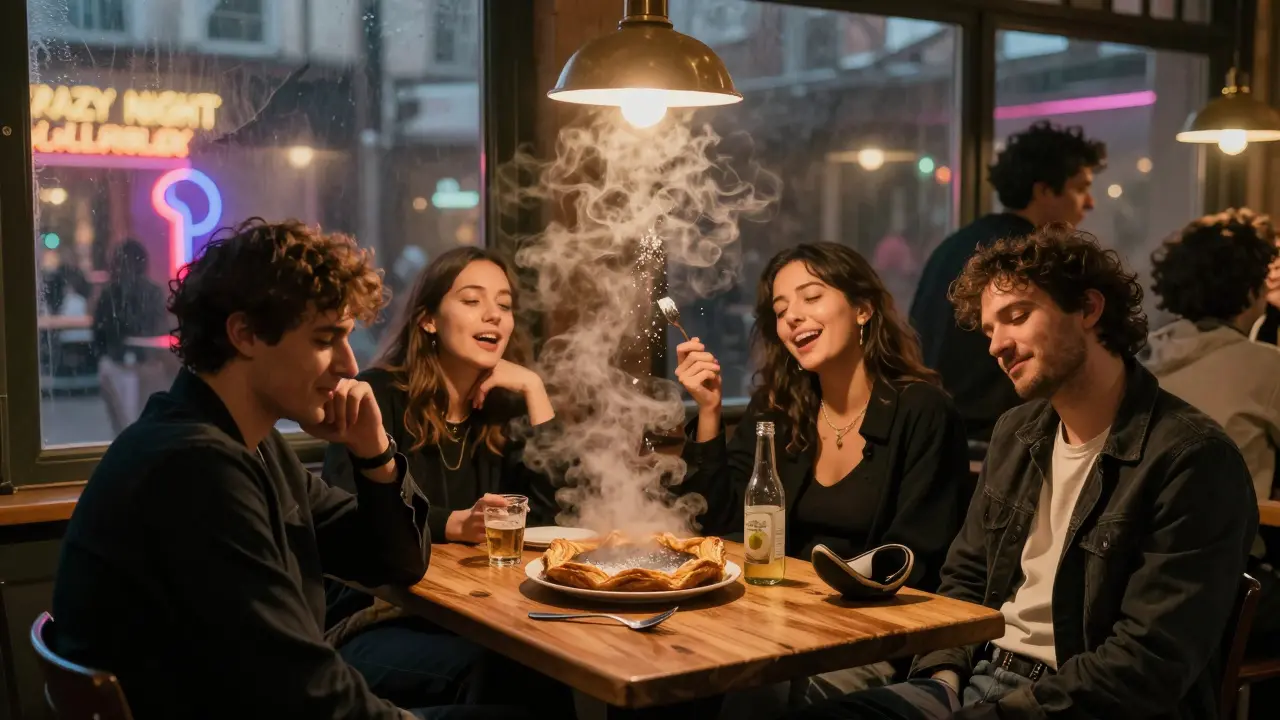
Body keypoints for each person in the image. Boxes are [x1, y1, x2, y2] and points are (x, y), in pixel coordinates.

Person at [787, 224, 1257, 720]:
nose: (996, 346)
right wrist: (941, 681)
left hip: (1074, 700)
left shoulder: (1191, 457)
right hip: (976, 677)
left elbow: (1146, 664)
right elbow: (964, 580)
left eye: (1017, 316)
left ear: (1089, 309)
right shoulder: (1018, 432)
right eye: (990, 330)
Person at [50, 218, 510, 719]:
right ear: (245, 333)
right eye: (325, 339)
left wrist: (374, 452)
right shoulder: (197, 466)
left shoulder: (249, 443)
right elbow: (299, 690)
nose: (349, 366)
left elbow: (396, 563)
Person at [675, 243, 970, 701]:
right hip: (773, 624)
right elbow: (723, 526)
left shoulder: (922, 410)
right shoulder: (778, 411)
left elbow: (915, 558)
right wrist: (709, 411)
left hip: (869, 638)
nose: (793, 316)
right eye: (781, 308)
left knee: (753, 695)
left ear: (863, 309)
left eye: (811, 297)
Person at [322, 246, 569, 712]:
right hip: (371, 623)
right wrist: (452, 523)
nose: (493, 315)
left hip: (470, 619)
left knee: (542, 664)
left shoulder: (502, 412)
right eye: (473, 301)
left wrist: (536, 391)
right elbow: (350, 508)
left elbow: (552, 519)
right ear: (429, 320)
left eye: (505, 305)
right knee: (502, 671)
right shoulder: (378, 394)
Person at [909, 121, 1106, 443]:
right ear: (1044, 191)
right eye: (1081, 188)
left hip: (939, 432)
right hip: (1000, 439)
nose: (1089, 203)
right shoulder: (1031, 259)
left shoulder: (956, 244)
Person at [1144, 208, 1280, 647]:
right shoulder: (1264, 366)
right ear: (1252, 289)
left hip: (1139, 580)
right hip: (1227, 589)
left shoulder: (1144, 359)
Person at [92, 239, 172, 433]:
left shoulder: (109, 293)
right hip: (146, 364)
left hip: (117, 363)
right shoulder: (153, 292)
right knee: (147, 426)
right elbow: (160, 328)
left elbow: (99, 331)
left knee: (122, 427)